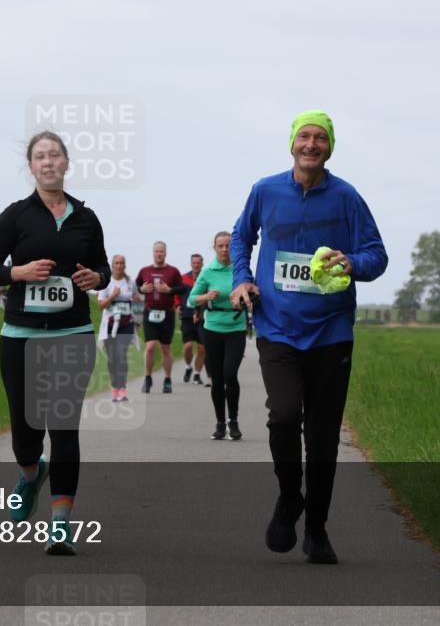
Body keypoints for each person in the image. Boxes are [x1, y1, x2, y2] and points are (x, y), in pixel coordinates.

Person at [229, 111, 387, 564]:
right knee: (282, 416)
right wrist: (241, 279)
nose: (311, 144)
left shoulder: (347, 197)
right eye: (305, 136)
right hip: (276, 325)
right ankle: (287, 497)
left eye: (321, 138)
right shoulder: (265, 190)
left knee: (321, 437)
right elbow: (242, 238)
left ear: (330, 147)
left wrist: (352, 263)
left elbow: (377, 256)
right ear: (293, 143)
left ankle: (316, 528)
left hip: (331, 331)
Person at [0, 131, 110, 555]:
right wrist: (19, 273)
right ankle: (32, 475)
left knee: (64, 428)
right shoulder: (16, 216)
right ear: (31, 167)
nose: (48, 162)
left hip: (72, 333)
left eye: (55, 155)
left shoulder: (86, 218)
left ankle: (61, 524)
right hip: (21, 337)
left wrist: (96, 279)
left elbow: (103, 266)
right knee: (25, 433)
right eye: (40, 157)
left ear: (67, 163)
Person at [187, 232, 247, 440]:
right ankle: (221, 423)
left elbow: (255, 294)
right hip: (212, 328)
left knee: (230, 374)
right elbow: (191, 300)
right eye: (220, 246)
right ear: (214, 248)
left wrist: (246, 300)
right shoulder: (207, 272)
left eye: (228, 245)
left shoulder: (241, 270)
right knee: (217, 378)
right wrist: (205, 296)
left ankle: (234, 421)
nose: (224, 249)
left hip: (236, 328)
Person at [135, 242, 185, 394]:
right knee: (150, 347)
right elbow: (136, 287)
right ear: (153, 253)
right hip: (150, 313)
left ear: (165, 253)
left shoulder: (173, 271)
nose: (159, 254)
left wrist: (169, 290)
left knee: (165, 348)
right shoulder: (145, 270)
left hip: (167, 314)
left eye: (161, 251)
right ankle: (148, 378)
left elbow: (182, 289)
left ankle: (167, 379)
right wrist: (141, 290)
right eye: (157, 251)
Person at [97, 255, 141, 402]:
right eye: (117, 263)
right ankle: (115, 387)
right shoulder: (106, 282)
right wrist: (113, 296)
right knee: (112, 359)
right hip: (109, 324)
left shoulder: (130, 282)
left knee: (121, 354)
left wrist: (137, 299)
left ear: (125, 265)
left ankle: (122, 389)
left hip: (126, 324)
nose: (119, 265)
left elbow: (136, 299)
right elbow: (101, 305)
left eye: (122, 263)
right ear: (112, 265)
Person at [178, 254, 207, 385]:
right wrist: (177, 305)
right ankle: (188, 366)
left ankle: (197, 374)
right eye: (194, 263)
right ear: (191, 264)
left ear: (202, 264)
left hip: (202, 317)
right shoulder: (183, 278)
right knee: (188, 346)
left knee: (202, 348)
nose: (196, 265)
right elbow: (177, 294)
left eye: (198, 263)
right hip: (187, 316)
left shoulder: (206, 277)